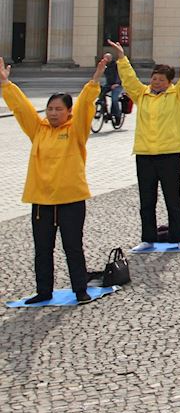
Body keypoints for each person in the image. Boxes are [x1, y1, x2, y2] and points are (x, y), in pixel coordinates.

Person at [1, 54, 106, 303]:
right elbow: (21, 108)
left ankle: (80, 289)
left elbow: (85, 107)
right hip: (41, 199)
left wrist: (95, 80)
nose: (53, 113)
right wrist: (5, 84)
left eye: (59, 109)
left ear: (69, 112)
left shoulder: (76, 130)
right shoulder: (39, 129)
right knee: (42, 250)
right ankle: (43, 291)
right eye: (50, 109)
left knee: (72, 247)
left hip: (70, 198)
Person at [108, 37, 180, 252]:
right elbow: (129, 80)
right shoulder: (142, 95)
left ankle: (179, 236)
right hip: (145, 153)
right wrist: (122, 58)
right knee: (146, 199)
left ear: (169, 82)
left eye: (160, 80)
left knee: (172, 197)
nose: (156, 82)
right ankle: (147, 238)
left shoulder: (177, 95)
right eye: (154, 79)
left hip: (169, 153)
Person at [99, 54, 124, 126]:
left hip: (118, 84)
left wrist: (117, 83)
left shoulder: (116, 65)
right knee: (101, 92)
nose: (105, 59)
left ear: (110, 58)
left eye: (107, 58)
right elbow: (99, 74)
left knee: (114, 99)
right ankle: (104, 108)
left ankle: (117, 115)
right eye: (104, 58)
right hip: (109, 84)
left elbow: (120, 75)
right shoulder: (105, 66)